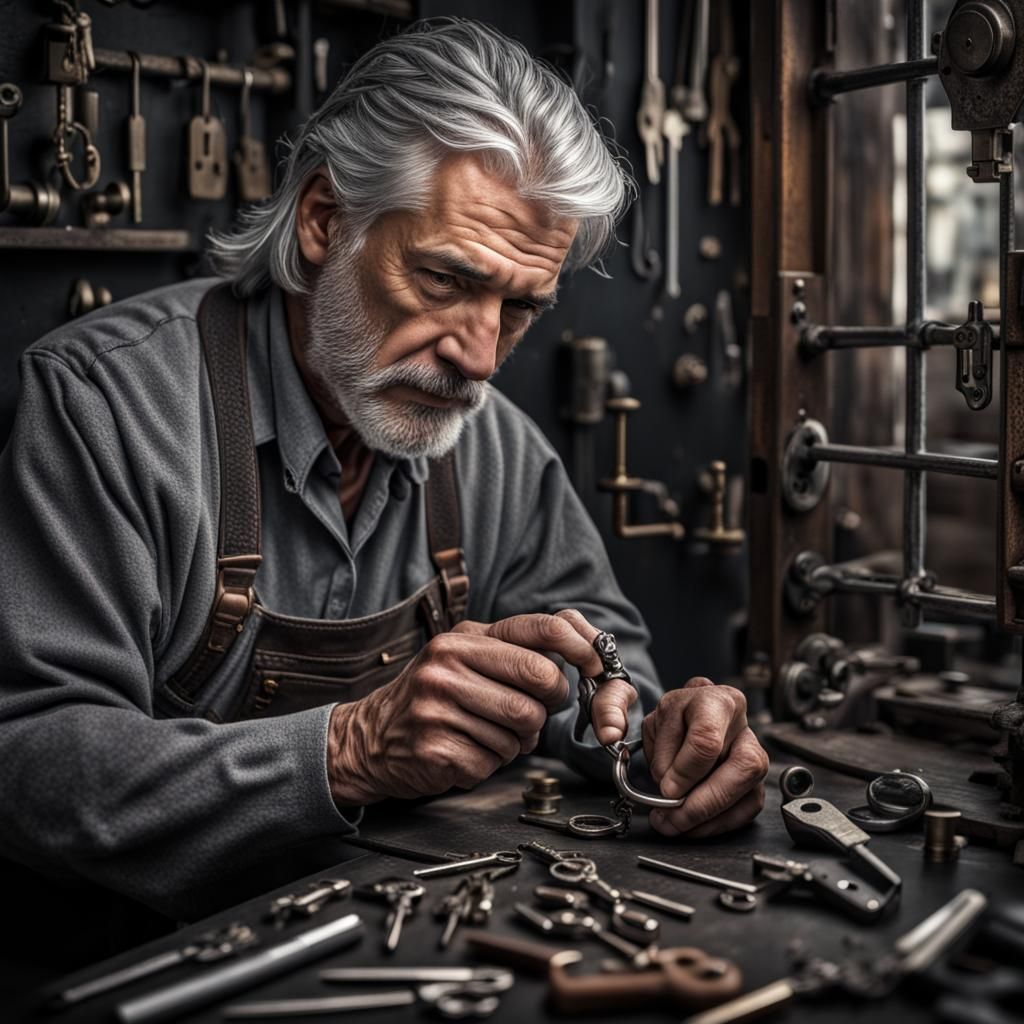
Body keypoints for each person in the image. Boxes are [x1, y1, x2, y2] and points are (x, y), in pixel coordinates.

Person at [0, 19, 767, 946]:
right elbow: (31, 764)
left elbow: (606, 665)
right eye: (446, 279)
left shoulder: (499, 454)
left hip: (393, 942)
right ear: (327, 220)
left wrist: (660, 733)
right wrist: (349, 749)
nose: (480, 357)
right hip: (131, 956)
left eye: (519, 306)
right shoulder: (107, 408)